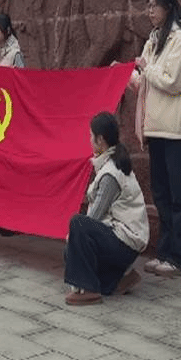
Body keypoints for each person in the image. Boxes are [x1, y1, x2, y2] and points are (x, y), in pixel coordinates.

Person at [131, 0, 181, 277]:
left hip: (174, 130)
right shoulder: (154, 39)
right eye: (147, 6)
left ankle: (180, 258)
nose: (150, 11)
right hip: (156, 128)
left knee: (179, 194)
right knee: (161, 193)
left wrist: (145, 68)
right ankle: (166, 252)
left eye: (154, 5)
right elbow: (146, 81)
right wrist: (125, 74)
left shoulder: (178, 39)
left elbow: (171, 81)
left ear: (168, 7)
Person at [64, 112, 149, 305]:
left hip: (126, 241)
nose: (89, 140)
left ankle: (88, 289)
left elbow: (93, 218)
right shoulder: (109, 164)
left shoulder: (111, 174)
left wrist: (73, 236)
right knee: (70, 251)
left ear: (100, 139)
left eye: (91, 136)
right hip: (120, 237)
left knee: (77, 224)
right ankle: (120, 277)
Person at [0, 13, 24, 237]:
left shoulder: (15, 54)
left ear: (7, 30)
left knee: (10, 171)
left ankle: (13, 220)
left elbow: (22, 83)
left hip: (10, 119)